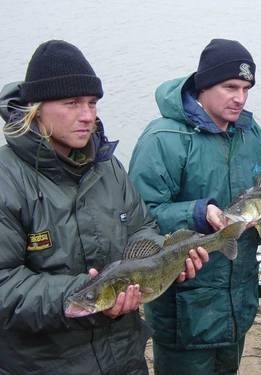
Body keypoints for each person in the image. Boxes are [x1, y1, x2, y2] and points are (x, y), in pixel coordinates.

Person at [0, 40, 208, 375]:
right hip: (43, 365)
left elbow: (144, 228)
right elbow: (4, 285)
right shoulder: (7, 179)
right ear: (35, 108)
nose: (88, 116)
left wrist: (163, 264)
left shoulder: (108, 167)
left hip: (124, 359)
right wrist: (90, 296)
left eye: (92, 103)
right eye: (72, 103)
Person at [128, 38, 261, 374]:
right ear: (204, 84)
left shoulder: (255, 138)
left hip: (238, 304)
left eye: (246, 88)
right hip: (184, 310)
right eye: (230, 87)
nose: (240, 98)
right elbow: (138, 219)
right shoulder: (162, 139)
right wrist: (197, 213)